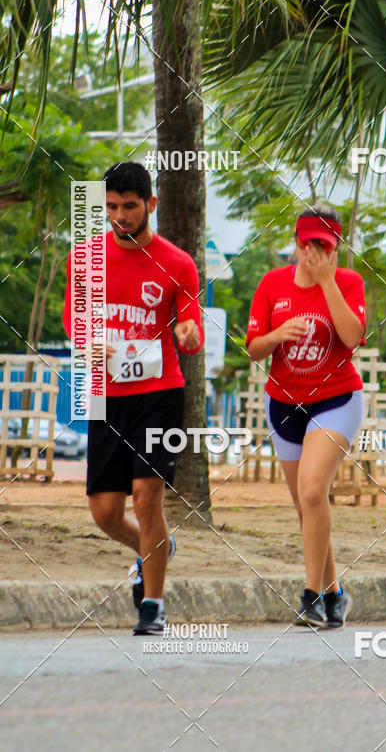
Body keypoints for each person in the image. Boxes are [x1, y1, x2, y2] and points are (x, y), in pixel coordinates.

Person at [63, 162, 204, 635]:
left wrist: (186, 334)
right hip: (105, 394)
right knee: (104, 512)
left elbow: (191, 326)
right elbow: (72, 319)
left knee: (146, 499)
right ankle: (156, 548)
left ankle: (153, 605)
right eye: (111, 208)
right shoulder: (85, 258)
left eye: (129, 206)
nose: (119, 216)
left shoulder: (178, 263)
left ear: (151, 205)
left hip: (158, 393)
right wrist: (86, 342)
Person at [246, 205, 366, 628]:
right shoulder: (271, 284)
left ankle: (311, 596)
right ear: (295, 243)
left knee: (314, 490)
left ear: (335, 249)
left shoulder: (348, 282)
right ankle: (335, 594)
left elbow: (352, 338)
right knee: (306, 506)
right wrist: (276, 336)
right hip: (283, 403)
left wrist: (328, 283)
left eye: (323, 246)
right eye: (305, 244)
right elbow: (253, 348)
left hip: (336, 399)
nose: (312, 253)